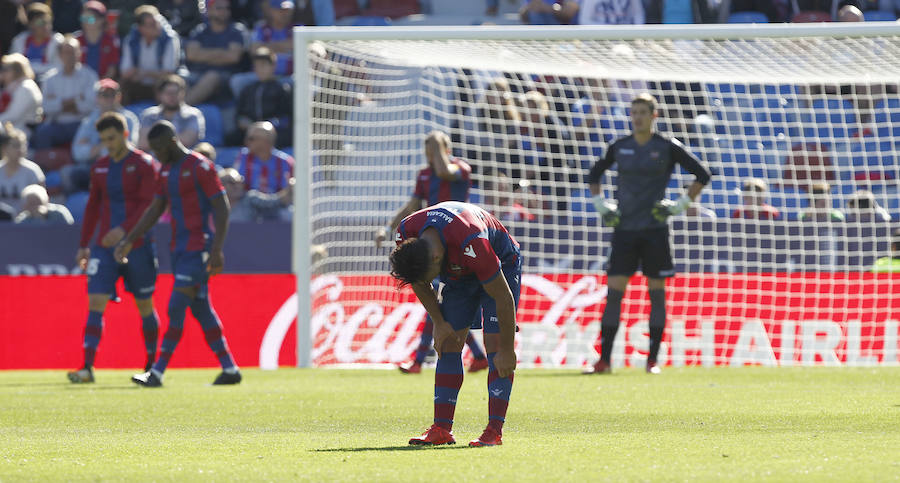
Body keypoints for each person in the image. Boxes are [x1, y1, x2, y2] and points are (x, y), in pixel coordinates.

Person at [584, 93, 711, 375]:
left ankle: (652, 361)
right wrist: (600, 205)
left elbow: (702, 174)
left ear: (654, 116)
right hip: (625, 231)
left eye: (643, 112)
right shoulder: (619, 146)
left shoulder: (667, 147)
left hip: (655, 231)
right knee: (614, 294)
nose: (638, 117)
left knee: (656, 295)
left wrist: (680, 205)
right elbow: (594, 174)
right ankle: (604, 360)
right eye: (634, 112)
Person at [115, 120, 241, 387]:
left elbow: (222, 207)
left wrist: (217, 249)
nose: (156, 154)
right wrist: (129, 240)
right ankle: (230, 369)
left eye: (159, 149)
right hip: (179, 249)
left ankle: (157, 372)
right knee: (202, 309)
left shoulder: (200, 167)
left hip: (199, 247)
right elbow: (155, 209)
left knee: (176, 307)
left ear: (172, 142)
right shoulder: (166, 170)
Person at [390, 201, 521, 447]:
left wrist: (507, 349)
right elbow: (419, 282)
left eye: (430, 278)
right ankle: (441, 429)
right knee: (449, 341)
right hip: (458, 271)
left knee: (495, 347)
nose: (427, 283)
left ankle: (494, 431)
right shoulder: (406, 235)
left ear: (436, 258)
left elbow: (503, 297)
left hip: (499, 262)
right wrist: (438, 322)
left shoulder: (471, 238)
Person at [374, 130, 489, 374]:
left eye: (433, 150)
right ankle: (477, 356)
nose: (429, 156)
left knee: (439, 304)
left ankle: (420, 360)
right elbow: (413, 205)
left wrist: (437, 143)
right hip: (435, 246)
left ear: (444, 150)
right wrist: (387, 227)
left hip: (458, 245)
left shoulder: (460, 169)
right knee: (438, 304)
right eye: (427, 151)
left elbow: (443, 171)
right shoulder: (424, 175)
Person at [66, 112, 160, 383]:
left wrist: (124, 230)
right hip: (103, 247)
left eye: (112, 138)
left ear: (125, 135)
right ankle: (86, 368)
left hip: (138, 245)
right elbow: (93, 206)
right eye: (104, 139)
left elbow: (150, 204)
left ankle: (152, 366)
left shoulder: (143, 164)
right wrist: (84, 244)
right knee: (95, 301)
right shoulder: (100, 167)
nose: (108, 143)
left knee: (144, 304)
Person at [31, 35, 98, 151]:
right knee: (42, 133)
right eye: (66, 52)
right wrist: (76, 100)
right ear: (60, 55)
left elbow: (91, 105)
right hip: (57, 123)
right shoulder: (50, 78)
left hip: (81, 123)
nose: (70, 56)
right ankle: (45, 166)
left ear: (79, 53)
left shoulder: (90, 76)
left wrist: (59, 103)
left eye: (73, 52)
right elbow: (45, 107)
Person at [183, 0, 248, 105]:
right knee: (177, 78)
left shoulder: (236, 30)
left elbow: (233, 57)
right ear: (208, 11)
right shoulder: (200, 30)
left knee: (212, 76)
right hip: (197, 73)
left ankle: (181, 109)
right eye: (219, 8)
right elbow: (191, 55)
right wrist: (222, 54)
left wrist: (203, 54)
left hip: (226, 77)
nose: (224, 11)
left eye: (227, 8)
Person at [229, 47, 293, 147]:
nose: (259, 69)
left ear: (273, 66)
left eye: (263, 65)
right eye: (256, 66)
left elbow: (286, 118)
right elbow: (239, 115)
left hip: (273, 133)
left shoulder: (282, 89)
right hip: (250, 131)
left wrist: (265, 127)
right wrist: (246, 124)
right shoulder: (248, 89)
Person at [119, 5, 181, 105]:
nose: (157, 27)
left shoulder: (169, 39)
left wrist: (144, 73)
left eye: (157, 22)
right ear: (141, 28)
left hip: (159, 84)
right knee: (121, 84)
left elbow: (168, 72)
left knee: (167, 84)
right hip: (137, 84)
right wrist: (139, 74)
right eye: (151, 25)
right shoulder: (131, 40)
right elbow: (125, 71)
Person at [138, 75, 205, 150]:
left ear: (183, 93)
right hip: (155, 160)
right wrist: (173, 140)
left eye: (176, 92)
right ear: (160, 95)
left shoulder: (193, 115)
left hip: (184, 161)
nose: (172, 96)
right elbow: (143, 143)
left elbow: (187, 141)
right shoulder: (149, 115)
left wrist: (155, 141)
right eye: (168, 93)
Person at [231, 121, 293, 193]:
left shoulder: (286, 162)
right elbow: (237, 185)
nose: (246, 141)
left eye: (251, 138)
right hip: (249, 202)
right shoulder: (244, 156)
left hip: (279, 202)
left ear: (266, 141)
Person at [9, 2, 65, 80]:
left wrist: (31, 70)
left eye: (48, 22)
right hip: (23, 81)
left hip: (49, 82)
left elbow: (59, 68)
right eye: (40, 22)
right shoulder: (19, 40)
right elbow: (14, 66)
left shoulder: (58, 41)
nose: (46, 26)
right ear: (30, 24)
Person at [220, 166, 293, 222]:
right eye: (232, 182)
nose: (238, 185)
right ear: (221, 185)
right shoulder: (215, 205)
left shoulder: (250, 199)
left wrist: (289, 189)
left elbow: (276, 202)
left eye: (240, 181)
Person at [0, 123, 45, 212]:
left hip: (26, 221)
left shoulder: (33, 171)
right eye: (15, 146)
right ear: (4, 148)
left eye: (22, 145)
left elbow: (41, 200)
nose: (20, 149)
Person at [73, 1, 121, 80]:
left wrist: (98, 85)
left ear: (101, 20)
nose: (85, 22)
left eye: (90, 19)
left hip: (102, 86)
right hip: (78, 85)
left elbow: (111, 70)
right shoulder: (75, 40)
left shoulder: (111, 41)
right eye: (83, 19)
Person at [0, 53, 43, 138]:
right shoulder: (10, 87)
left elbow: (14, 115)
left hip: (22, 131)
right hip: (10, 127)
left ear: (17, 71)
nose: (2, 72)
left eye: (5, 69)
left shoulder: (26, 87)